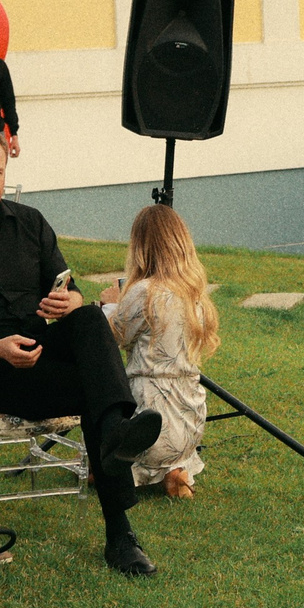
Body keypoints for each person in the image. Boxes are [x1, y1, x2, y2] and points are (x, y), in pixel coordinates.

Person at [0, 126, 165, 576]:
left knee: (87, 318)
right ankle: (120, 533)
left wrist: (71, 301)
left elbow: (72, 290)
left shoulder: (30, 223)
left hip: (39, 349)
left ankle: (117, 430)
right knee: (94, 393)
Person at [101, 205, 218, 499]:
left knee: (108, 396)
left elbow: (115, 336)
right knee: (171, 447)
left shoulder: (144, 292)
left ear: (140, 247)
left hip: (149, 419)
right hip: (190, 421)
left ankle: (112, 467)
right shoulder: (195, 295)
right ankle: (175, 472)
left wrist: (110, 304)